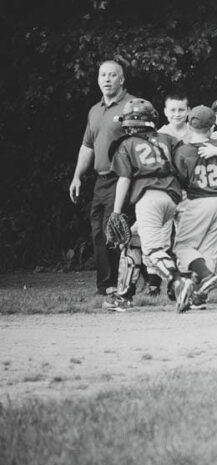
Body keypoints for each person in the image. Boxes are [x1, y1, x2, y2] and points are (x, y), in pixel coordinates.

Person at [103, 98, 192, 313]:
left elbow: (124, 179)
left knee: (152, 250)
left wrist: (116, 212)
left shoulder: (127, 143)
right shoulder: (168, 139)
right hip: (172, 198)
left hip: (149, 197)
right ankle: (124, 296)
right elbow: (184, 166)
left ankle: (178, 280)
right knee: (133, 241)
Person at [69, 59, 138, 296]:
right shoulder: (95, 110)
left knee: (114, 229)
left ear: (122, 79)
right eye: (102, 75)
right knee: (98, 231)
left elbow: (143, 143)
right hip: (101, 180)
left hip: (123, 178)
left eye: (112, 75)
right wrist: (77, 176)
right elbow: (87, 146)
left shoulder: (133, 106)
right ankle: (105, 285)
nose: (107, 79)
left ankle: (121, 283)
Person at [171, 105, 217, 309]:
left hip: (200, 201)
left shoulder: (183, 151)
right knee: (209, 251)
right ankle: (198, 297)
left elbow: (181, 180)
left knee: (183, 247)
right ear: (212, 127)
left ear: (189, 125)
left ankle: (207, 277)